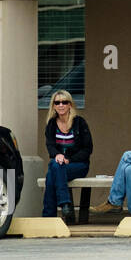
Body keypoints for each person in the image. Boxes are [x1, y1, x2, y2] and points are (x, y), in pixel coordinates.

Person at [41, 90, 93, 222]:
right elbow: (50, 146)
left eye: (64, 102)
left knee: (53, 170)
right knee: (54, 167)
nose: (61, 105)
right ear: (53, 106)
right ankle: (64, 205)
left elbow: (87, 149)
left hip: (78, 165)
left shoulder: (80, 122)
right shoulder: (51, 124)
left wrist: (69, 159)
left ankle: (49, 216)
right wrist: (57, 155)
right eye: (57, 102)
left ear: (70, 105)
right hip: (60, 165)